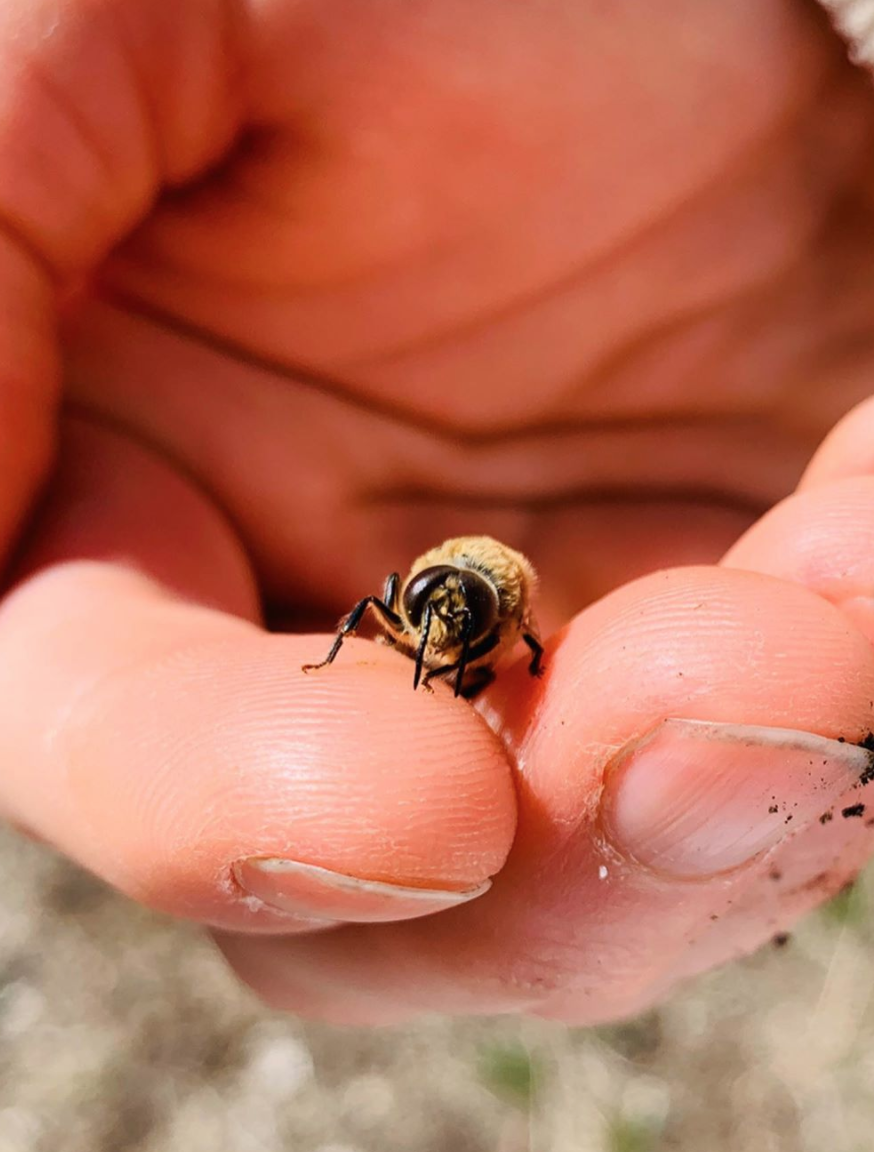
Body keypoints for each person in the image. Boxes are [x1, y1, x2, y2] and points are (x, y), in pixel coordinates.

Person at [1, 0, 874, 1025]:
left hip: (495, 572)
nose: (440, 639)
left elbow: (500, 620)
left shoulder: (486, 612)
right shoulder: (410, 602)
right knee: (385, 788)